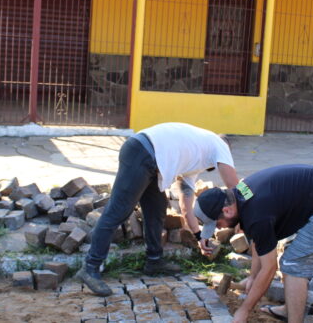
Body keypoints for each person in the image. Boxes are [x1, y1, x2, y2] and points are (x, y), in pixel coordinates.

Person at [76, 122, 239, 296]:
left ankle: (154, 260)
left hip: (151, 161)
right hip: (142, 153)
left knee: (157, 208)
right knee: (119, 210)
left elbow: (186, 207)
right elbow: (234, 185)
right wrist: (250, 194)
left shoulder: (197, 158)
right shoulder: (220, 145)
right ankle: (90, 267)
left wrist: (199, 236)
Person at [194, 164, 313, 323]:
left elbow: (269, 268)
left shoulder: (257, 214)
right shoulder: (242, 192)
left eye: (217, 223)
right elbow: (257, 241)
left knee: (293, 264)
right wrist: (253, 277)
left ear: (227, 211)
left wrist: (244, 310)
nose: (219, 228)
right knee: (292, 258)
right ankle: (289, 309)